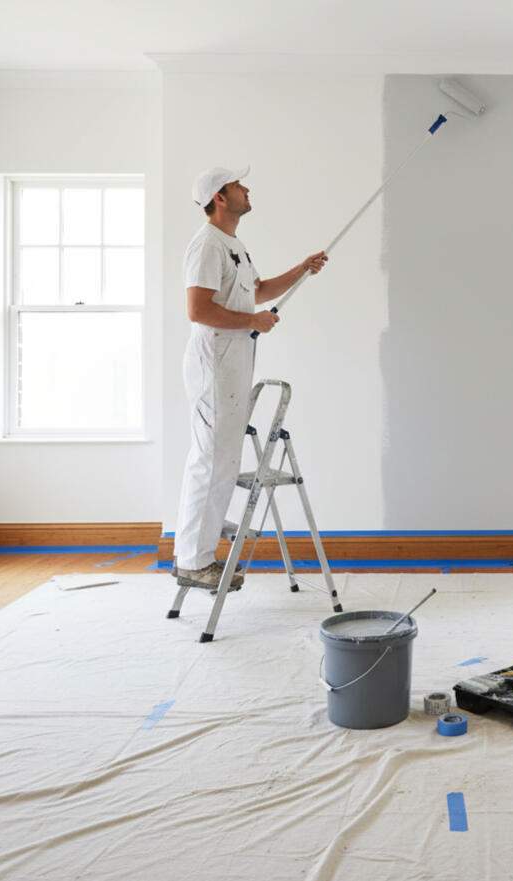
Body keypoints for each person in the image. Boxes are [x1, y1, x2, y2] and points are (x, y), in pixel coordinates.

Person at [173, 166, 327, 590]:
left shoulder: (232, 244)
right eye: (239, 185)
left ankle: (200, 556)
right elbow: (198, 310)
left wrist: (302, 269)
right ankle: (192, 560)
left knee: (223, 459)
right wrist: (251, 321)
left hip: (233, 362)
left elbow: (255, 292)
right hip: (214, 364)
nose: (247, 188)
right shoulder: (206, 245)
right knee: (212, 461)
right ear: (220, 197)